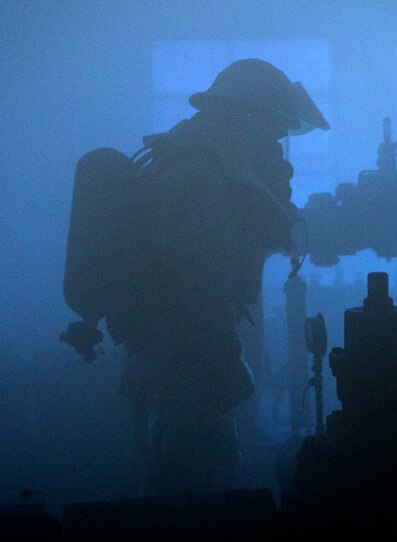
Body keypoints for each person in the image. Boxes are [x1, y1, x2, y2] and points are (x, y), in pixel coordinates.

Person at [114, 58, 329, 495]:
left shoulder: (195, 162)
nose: (277, 150)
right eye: (273, 133)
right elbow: (202, 280)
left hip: (165, 360)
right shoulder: (215, 180)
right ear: (247, 120)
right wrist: (226, 361)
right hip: (185, 367)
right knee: (199, 492)